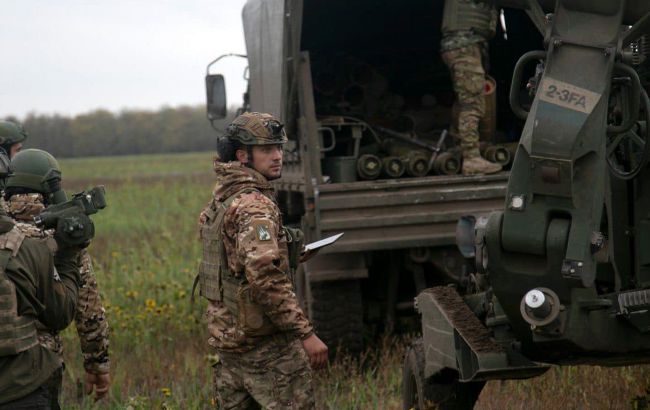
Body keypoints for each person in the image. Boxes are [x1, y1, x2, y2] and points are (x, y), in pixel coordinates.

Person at [197, 112, 328, 409]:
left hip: (228, 342)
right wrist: (305, 333)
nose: (278, 156)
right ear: (243, 156)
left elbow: (232, 264)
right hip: (266, 349)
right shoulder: (255, 206)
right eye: (267, 150)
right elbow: (264, 279)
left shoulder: (221, 199)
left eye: (279, 148)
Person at [3, 149, 110, 407]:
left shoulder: (4, 231)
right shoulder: (62, 235)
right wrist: (97, 363)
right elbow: (87, 308)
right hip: (39, 367)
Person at [440, 0, 502, 175]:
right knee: (472, 104)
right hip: (464, 45)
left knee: (465, 101)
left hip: (462, 44)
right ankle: (471, 158)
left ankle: (460, 148)